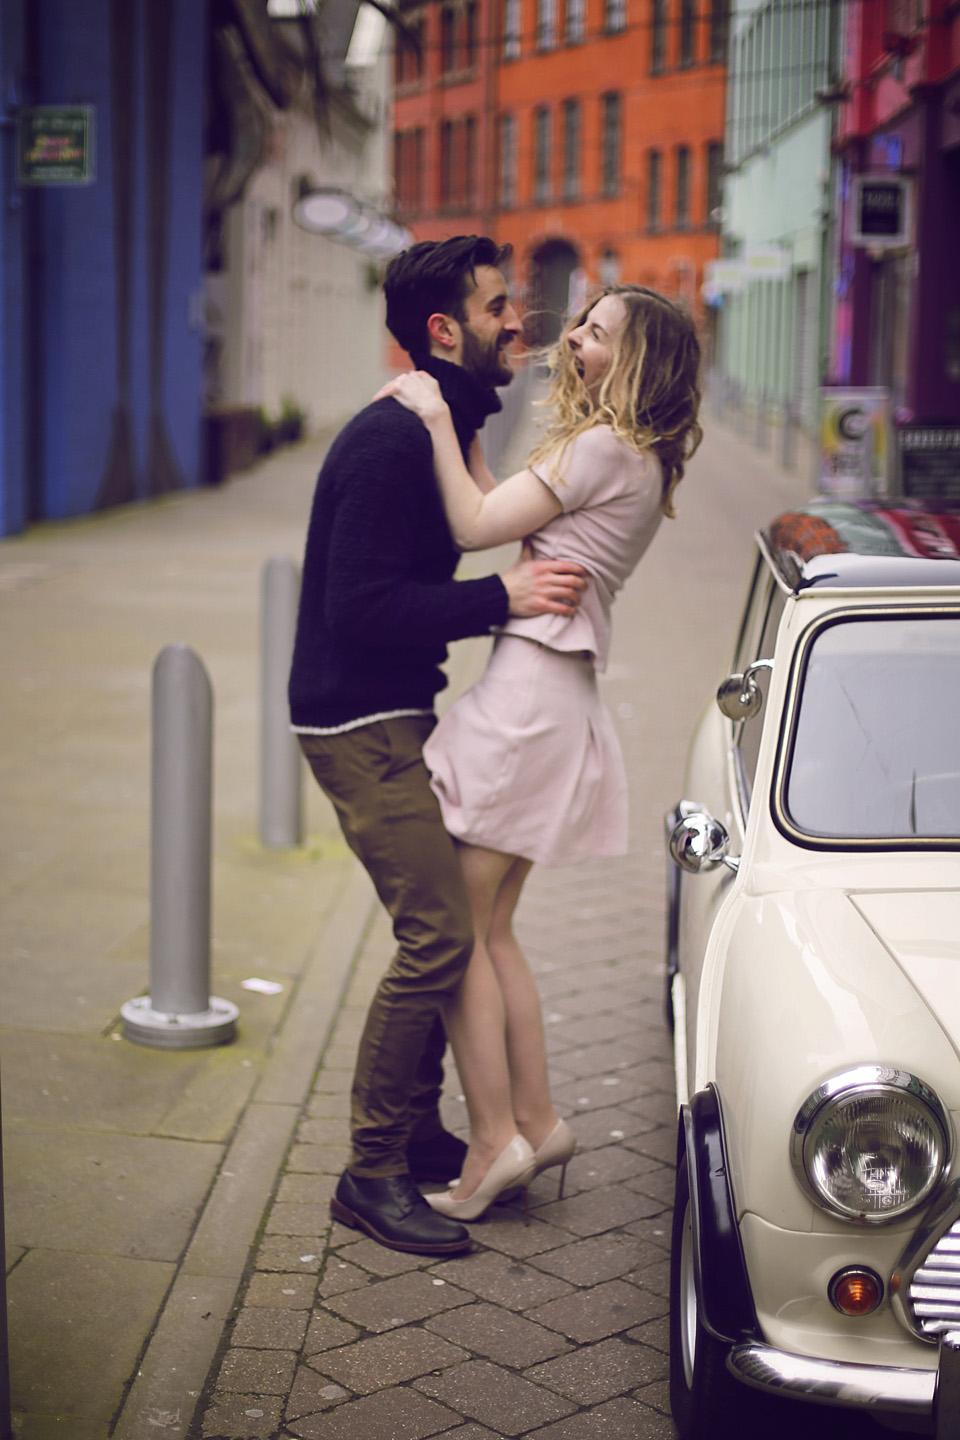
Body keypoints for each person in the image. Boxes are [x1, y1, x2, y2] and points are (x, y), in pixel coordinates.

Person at [287, 235, 587, 1258]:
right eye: (501, 308)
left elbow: (480, 512)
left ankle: (416, 1136)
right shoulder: (385, 440)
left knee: (443, 926)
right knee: (439, 937)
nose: (520, 323)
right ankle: (369, 1173)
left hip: (392, 716)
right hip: (354, 726)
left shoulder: (443, 417)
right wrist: (500, 599)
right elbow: (359, 608)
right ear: (444, 329)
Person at [375, 284, 703, 1220]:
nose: (574, 342)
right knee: (494, 927)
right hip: (557, 698)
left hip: (528, 700)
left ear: (638, 362)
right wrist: (469, 438)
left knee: (455, 934)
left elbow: (474, 528)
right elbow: (498, 506)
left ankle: (493, 1146)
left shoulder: (600, 447)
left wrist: (432, 408)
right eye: (583, 324)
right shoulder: (640, 457)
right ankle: (540, 1118)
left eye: (597, 335)